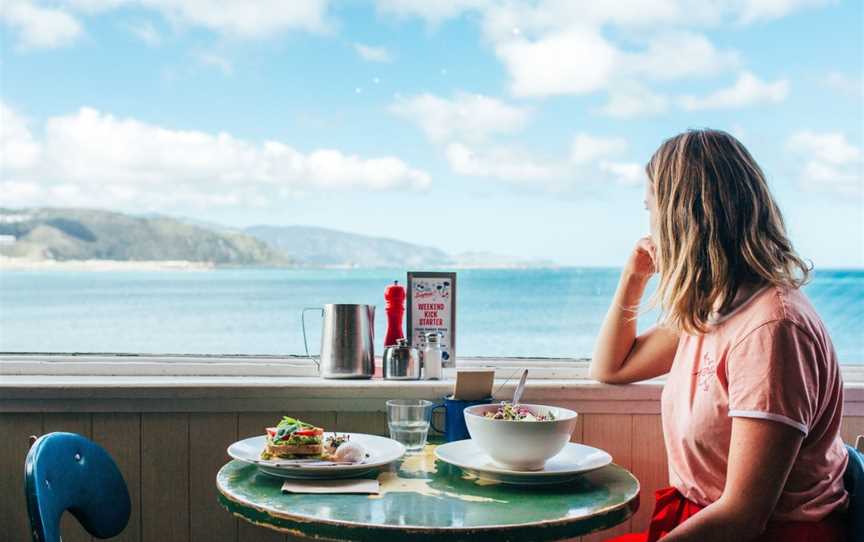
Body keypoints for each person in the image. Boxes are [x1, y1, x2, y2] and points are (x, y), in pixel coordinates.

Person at [592, 129, 849, 542]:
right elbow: (610, 368)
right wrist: (633, 276)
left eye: (652, 211)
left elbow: (743, 516)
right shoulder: (716, 305)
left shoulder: (772, 330)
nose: (651, 227)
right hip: (707, 523)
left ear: (684, 218)